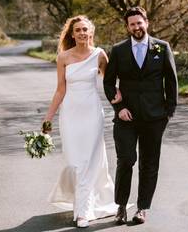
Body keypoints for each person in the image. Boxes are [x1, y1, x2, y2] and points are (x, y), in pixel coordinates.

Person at [103, 6, 178, 225]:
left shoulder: (162, 48)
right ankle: (120, 207)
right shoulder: (118, 50)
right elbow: (109, 83)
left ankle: (142, 208)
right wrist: (119, 108)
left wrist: (168, 112)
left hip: (155, 118)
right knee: (125, 160)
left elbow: (171, 81)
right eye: (132, 24)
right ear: (127, 27)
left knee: (149, 163)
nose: (137, 27)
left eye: (139, 22)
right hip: (126, 117)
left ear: (147, 22)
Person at [43, 15, 120, 228]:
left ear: (91, 32)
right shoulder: (63, 57)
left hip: (92, 114)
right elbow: (60, 90)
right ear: (72, 33)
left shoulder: (99, 55)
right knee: (74, 163)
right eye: (78, 30)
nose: (82, 33)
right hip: (69, 115)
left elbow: (110, 84)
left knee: (88, 163)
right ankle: (82, 201)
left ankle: (82, 212)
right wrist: (48, 118)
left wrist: (121, 103)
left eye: (85, 29)